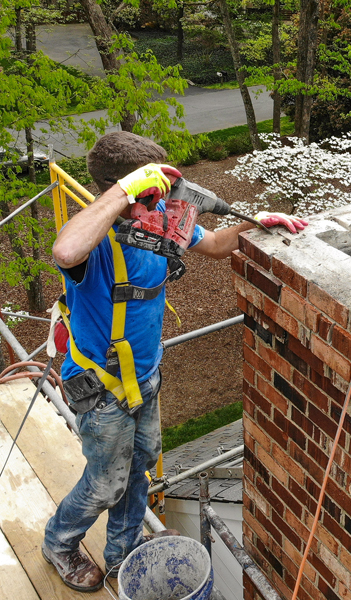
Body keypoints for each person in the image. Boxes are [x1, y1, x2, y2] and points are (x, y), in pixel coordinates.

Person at [42, 131, 307, 592]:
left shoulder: (159, 221)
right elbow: (65, 250)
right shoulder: (96, 243)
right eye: (150, 194)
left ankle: (122, 553)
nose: (161, 203)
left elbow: (217, 245)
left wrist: (256, 223)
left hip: (145, 378)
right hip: (101, 389)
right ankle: (59, 542)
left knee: (141, 464)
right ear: (124, 191)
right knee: (106, 484)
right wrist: (124, 191)